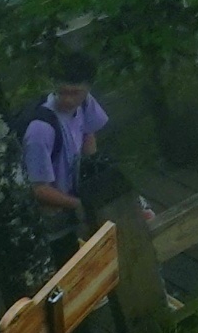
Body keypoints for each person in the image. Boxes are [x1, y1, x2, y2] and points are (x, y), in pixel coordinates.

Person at [20, 62, 148, 257]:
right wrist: (78, 204)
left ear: (88, 88)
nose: (69, 100)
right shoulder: (41, 130)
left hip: (77, 201)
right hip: (54, 221)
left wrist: (92, 171)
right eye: (63, 92)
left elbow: (88, 133)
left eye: (75, 93)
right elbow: (38, 189)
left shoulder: (86, 102)